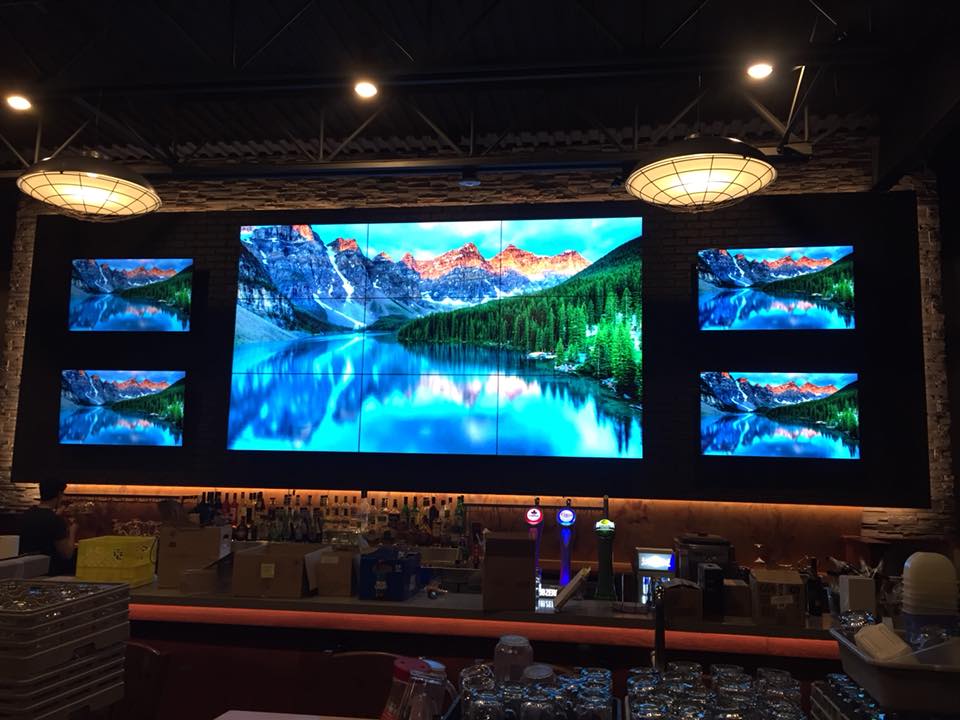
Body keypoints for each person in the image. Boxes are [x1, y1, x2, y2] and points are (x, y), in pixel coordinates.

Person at [19, 478, 77, 575]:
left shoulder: (26, 515)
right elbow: (67, 554)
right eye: (63, 494)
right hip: (50, 573)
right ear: (59, 494)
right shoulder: (55, 520)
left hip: (26, 572)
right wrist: (72, 531)